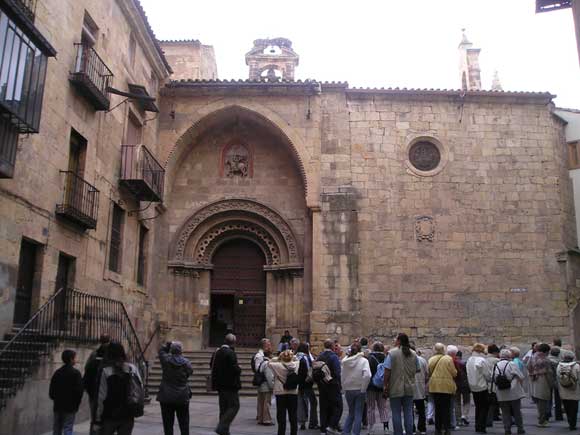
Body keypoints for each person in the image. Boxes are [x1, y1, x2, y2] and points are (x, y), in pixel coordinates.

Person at [94, 341, 143, 435]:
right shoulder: (131, 368)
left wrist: (97, 419)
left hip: (109, 414)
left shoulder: (105, 370)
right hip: (128, 413)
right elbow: (139, 388)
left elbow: (101, 396)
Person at [383, 333, 417, 435]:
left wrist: (385, 384)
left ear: (399, 341)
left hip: (395, 387)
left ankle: (398, 432)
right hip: (409, 386)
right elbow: (417, 369)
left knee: (396, 412)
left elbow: (387, 371)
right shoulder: (413, 354)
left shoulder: (392, 354)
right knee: (408, 412)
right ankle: (409, 432)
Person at [157, 341, 193, 435]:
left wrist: (169, 344)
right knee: (184, 422)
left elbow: (161, 350)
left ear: (171, 350)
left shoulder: (166, 360)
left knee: (168, 424)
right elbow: (190, 372)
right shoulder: (186, 362)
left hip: (166, 396)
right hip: (182, 396)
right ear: (181, 350)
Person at [211, 333, 241, 435]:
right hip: (230, 385)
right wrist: (239, 370)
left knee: (223, 408)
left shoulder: (217, 352)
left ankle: (224, 430)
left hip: (220, 385)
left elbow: (211, 365)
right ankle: (221, 426)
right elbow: (235, 369)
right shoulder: (230, 353)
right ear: (233, 342)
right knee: (234, 406)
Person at [49, 349, 84, 435]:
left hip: (58, 405)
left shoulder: (57, 373)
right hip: (70, 407)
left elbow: (52, 391)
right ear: (71, 359)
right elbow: (79, 391)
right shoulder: (76, 373)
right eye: (75, 358)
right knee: (68, 427)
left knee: (57, 427)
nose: (76, 360)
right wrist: (76, 404)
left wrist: (56, 399)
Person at [341, 341, 371, 435]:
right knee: (358, 413)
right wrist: (363, 388)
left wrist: (344, 387)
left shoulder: (345, 361)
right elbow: (367, 375)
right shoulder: (364, 361)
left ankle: (346, 431)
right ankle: (355, 433)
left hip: (348, 389)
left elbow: (342, 375)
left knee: (351, 412)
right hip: (359, 389)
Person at [493, 349, 526, 435]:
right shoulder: (511, 364)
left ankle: (507, 429)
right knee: (517, 411)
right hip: (513, 392)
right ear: (509, 356)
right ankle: (520, 428)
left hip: (501, 392)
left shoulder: (496, 365)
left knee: (505, 412)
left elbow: (493, 378)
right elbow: (521, 376)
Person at [428, 343, 457, 435]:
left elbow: (429, 372)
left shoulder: (431, 359)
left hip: (435, 386)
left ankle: (438, 429)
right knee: (446, 408)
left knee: (438, 409)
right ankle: (447, 428)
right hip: (446, 387)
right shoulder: (448, 359)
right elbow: (454, 373)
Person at [269, 349, 300, 435]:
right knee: (293, 415)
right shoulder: (296, 364)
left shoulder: (277, 366)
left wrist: (280, 357)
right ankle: (294, 433)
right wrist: (291, 355)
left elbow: (269, 362)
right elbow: (297, 358)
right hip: (293, 392)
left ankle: (281, 433)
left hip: (280, 392)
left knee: (281, 416)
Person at [84, 334, 110, 434]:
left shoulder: (94, 354)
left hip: (94, 392)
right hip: (106, 393)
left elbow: (87, 369)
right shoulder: (111, 355)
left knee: (94, 418)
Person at [316, 338, 342, 435]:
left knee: (324, 407)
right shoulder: (333, 357)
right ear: (332, 346)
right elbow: (337, 372)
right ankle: (332, 426)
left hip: (322, 385)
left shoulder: (320, 356)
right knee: (338, 406)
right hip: (332, 385)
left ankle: (323, 428)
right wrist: (338, 384)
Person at [366, 341, 390, 435]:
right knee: (383, 407)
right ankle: (386, 428)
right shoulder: (386, 358)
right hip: (382, 386)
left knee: (371, 407)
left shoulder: (369, 358)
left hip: (371, 386)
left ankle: (371, 428)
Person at [467, 343, 491, 434]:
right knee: (484, 407)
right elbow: (487, 375)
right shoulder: (481, 360)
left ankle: (477, 425)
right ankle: (482, 426)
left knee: (478, 407)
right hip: (482, 386)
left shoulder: (469, 359)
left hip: (473, 386)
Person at [528, 343, 554, 428]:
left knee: (539, 402)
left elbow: (528, 366)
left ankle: (541, 419)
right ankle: (542, 421)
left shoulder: (532, 357)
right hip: (543, 381)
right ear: (546, 351)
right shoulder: (545, 360)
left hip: (534, 380)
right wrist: (552, 383)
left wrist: (532, 374)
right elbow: (549, 373)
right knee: (543, 402)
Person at [296, 342, 319, 430]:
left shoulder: (296, 357)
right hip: (306, 384)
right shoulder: (305, 358)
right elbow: (309, 370)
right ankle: (313, 422)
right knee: (313, 402)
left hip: (298, 384)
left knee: (301, 403)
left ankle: (302, 422)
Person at [557, 349, 580, 431]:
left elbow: (558, 377)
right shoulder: (576, 366)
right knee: (574, 408)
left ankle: (569, 422)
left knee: (567, 407)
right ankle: (573, 424)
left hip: (563, 389)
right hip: (574, 390)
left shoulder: (559, 366)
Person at [254, 338, 275, 426]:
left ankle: (260, 418)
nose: (270, 346)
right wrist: (272, 386)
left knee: (261, 402)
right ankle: (266, 419)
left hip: (261, 383)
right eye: (268, 344)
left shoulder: (262, 359)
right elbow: (268, 375)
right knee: (266, 402)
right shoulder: (263, 359)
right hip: (265, 383)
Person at [412, 347, 428, 435]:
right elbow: (427, 374)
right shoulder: (422, 360)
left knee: (409, 409)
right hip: (420, 387)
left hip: (409, 388)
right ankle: (422, 428)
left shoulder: (405, 360)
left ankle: (411, 428)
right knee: (421, 409)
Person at [454, 350, 471, 427]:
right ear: (461, 356)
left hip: (456, 384)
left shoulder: (453, 362)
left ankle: (458, 419)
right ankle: (464, 415)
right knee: (466, 401)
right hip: (465, 384)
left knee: (457, 401)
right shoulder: (465, 363)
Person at [486, 344, 501, 428]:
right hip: (494, 384)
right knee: (493, 403)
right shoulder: (497, 361)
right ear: (495, 352)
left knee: (488, 403)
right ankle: (489, 419)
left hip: (486, 384)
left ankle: (490, 418)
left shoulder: (484, 359)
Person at [547, 346, 563, 421]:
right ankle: (558, 415)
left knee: (548, 397)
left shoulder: (547, 360)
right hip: (557, 380)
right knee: (558, 399)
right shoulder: (560, 361)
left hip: (548, 380)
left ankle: (548, 412)